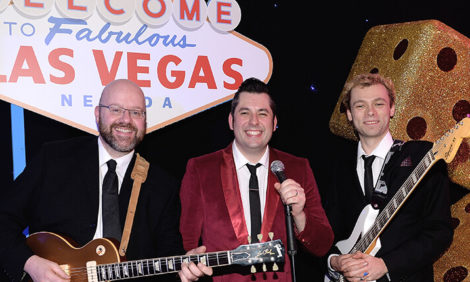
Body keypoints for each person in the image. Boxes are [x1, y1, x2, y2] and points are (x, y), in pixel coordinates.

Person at [0, 79, 210, 282]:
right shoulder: (55, 159)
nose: (126, 120)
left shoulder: (163, 186)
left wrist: (184, 272)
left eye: (136, 112)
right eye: (116, 109)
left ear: (145, 121)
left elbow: (168, 257)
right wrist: (30, 263)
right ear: (98, 114)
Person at [179, 77, 334, 281]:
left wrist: (299, 214)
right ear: (231, 121)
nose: (254, 121)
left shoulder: (297, 168)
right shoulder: (200, 168)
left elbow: (323, 245)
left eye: (263, 113)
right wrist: (188, 264)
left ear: (274, 122)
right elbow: (186, 244)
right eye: (245, 113)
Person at [322, 73, 453, 281]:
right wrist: (334, 261)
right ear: (348, 113)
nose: (370, 112)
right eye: (360, 106)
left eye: (379, 103)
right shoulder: (338, 168)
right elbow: (326, 232)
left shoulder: (422, 156)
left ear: (391, 109)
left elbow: (440, 231)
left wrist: (386, 265)